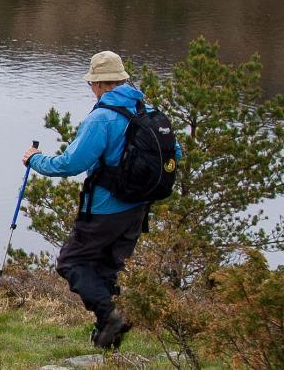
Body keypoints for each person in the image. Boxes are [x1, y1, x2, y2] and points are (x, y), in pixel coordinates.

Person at [21, 50, 181, 350]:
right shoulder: (148, 112)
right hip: (137, 209)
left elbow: (70, 164)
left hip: (104, 208)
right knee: (107, 268)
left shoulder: (103, 117)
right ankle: (107, 337)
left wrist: (36, 160)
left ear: (100, 84)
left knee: (72, 261)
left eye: (92, 84)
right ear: (123, 79)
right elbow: (176, 153)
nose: (91, 90)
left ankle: (110, 317)